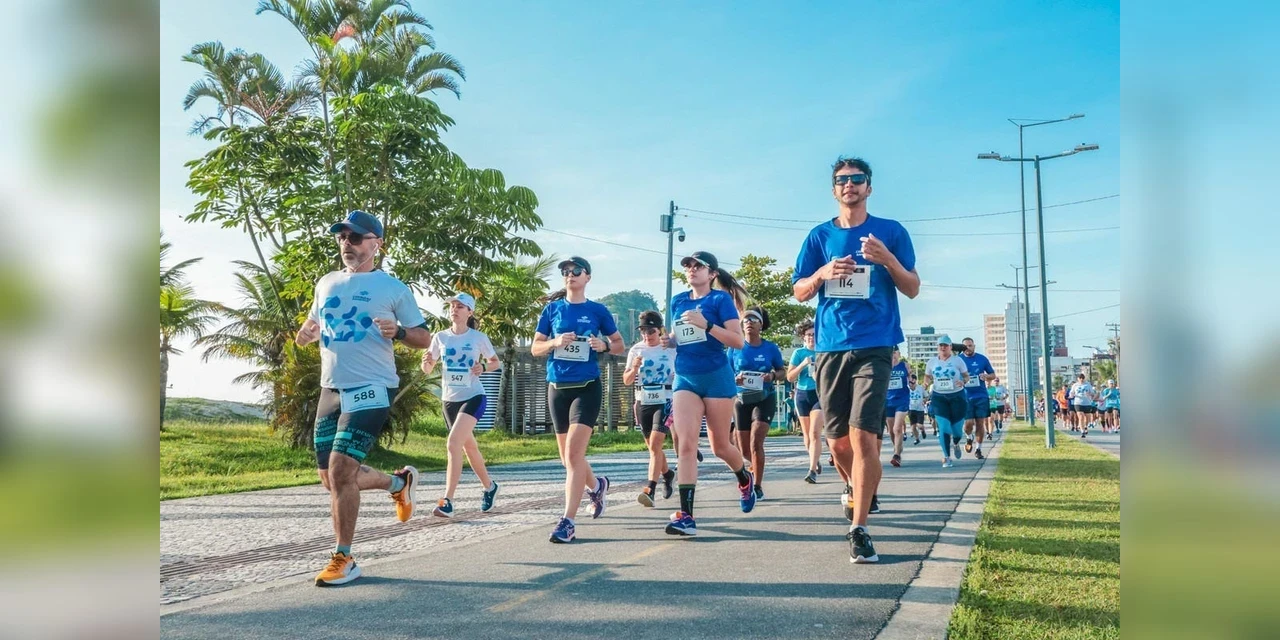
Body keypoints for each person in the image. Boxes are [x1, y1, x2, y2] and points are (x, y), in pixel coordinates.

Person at [792, 156, 920, 564]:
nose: (850, 185)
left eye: (857, 179)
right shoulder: (819, 236)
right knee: (837, 443)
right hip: (829, 347)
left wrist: (888, 260)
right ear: (834, 189)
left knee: (865, 437)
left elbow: (913, 287)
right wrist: (823, 273)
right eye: (842, 180)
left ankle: (859, 528)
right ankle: (856, 486)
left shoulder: (891, 232)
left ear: (869, 187)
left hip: (876, 345)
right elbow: (799, 291)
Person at [295, 210, 433, 586]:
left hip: (373, 386)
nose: (347, 244)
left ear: (377, 243)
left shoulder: (393, 288)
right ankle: (398, 484)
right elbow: (311, 325)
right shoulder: (325, 283)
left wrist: (400, 332)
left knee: (342, 472)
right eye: (342, 237)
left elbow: (424, 337)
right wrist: (304, 335)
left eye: (355, 238)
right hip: (332, 387)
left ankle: (345, 557)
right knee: (331, 479)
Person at [531, 256, 625, 543]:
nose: (570, 275)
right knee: (567, 459)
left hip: (587, 387)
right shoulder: (552, 309)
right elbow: (536, 348)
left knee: (573, 455)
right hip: (558, 386)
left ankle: (567, 522)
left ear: (588, 278)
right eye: (565, 272)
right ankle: (597, 486)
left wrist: (604, 345)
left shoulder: (598, 310)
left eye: (576, 271)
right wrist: (554, 343)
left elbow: (620, 345)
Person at [664, 250, 756, 537]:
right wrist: (667, 341)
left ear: (712, 273)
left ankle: (744, 476)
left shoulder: (720, 300)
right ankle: (687, 516)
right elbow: (678, 337)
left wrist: (708, 325)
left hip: (716, 377)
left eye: (698, 266)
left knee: (719, 447)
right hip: (686, 378)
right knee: (687, 445)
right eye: (688, 266)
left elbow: (737, 342)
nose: (691, 269)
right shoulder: (678, 301)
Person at [420, 292, 501, 518]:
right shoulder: (440, 337)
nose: (454, 309)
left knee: (453, 443)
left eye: (460, 306)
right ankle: (490, 487)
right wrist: (425, 363)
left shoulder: (478, 337)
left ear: (470, 312)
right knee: (468, 447)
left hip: (474, 396)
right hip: (449, 401)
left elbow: (496, 362)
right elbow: (427, 368)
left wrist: (483, 368)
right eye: (452, 306)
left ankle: (448, 500)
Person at [728, 306, 787, 500]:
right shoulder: (734, 348)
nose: (749, 323)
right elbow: (726, 373)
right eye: (746, 319)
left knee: (756, 442)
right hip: (742, 399)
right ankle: (752, 469)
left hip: (764, 399)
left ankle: (758, 486)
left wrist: (771, 375)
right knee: (743, 448)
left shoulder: (770, 348)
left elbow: (782, 371)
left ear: (761, 325)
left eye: (754, 319)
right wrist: (734, 379)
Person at [622, 311, 678, 507]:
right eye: (644, 331)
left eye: (651, 330)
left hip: (665, 400)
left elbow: (681, 373)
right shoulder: (636, 350)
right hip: (643, 401)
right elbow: (627, 380)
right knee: (653, 447)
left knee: (655, 445)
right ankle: (668, 473)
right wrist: (635, 368)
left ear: (660, 329)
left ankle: (650, 489)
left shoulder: (670, 349)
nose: (647, 335)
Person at [924, 335, 969, 468]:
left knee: (957, 432)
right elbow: (927, 376)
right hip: (939, 398)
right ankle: (947, 457)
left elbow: (966, 376)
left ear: (950, 347)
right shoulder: (931, 362)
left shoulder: (958, 361)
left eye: (945, 345)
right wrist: (926, 383)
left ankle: (955, 443)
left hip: (957, 397)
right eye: (940, 345)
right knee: (944, 427)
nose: (943, 347)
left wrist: (963, 381)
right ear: (937, 347)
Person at [788, 319, 825, 484]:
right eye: (808, 335)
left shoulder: (824, 352)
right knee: (807, 436)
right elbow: (790, 377)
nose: (811, 338)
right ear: (803, 337)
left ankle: (811, 471)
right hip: (802, 394)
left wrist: (819, 377)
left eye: (814, 335)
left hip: (820, 395)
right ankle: (814, 459)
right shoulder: (799, 354)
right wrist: (803, 365)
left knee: (815, 433)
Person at [958, 338, 995, 460]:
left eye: (970, 346)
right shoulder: (958, 360)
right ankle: (969, 437)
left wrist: (986, 376)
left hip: (981, 396)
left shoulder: (982, 359)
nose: (968, 348)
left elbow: (993, 375)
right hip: (965, 396)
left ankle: (978, 449)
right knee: (968, 424)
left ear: (974, 346)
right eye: (965, 346)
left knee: (980, 423)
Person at [884, 346, 910, 468]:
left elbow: (911, 379)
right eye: (891, 352)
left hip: (902, 400)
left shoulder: (904, 366)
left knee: (897, 428)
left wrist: (912, 382)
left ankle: (896, 455)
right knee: (891, 430)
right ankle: (897, 448)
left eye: (895, 352)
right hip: (887, 401)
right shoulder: (884, 365)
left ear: (899, 353)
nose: (893, 354)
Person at [1070, 373, 1098, 438]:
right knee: (1081, 417)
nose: (1081, 379)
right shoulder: (1075, 385)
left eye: (1083, 378)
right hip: (1078, 403)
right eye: (1080, 378)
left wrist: (1090, 394)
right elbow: (1071, 392)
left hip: (1087, 403)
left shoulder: (1088, 385)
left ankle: (1085, 426)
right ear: (1078, 379)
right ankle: (1082, 431)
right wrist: (1072, 395)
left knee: (1087, 417)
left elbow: (1093, 393)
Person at [907, 374, 926, 445]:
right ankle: (917, 439)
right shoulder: (907, 389)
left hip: (920, 409)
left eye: (911, 380)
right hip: (911, 409)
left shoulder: (920, 388)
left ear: (915, 380)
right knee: (913, 427)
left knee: (920, 425)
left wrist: (924, 401)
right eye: (909, 380)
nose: (910, 382)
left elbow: (926, 396)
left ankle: (923, 430)